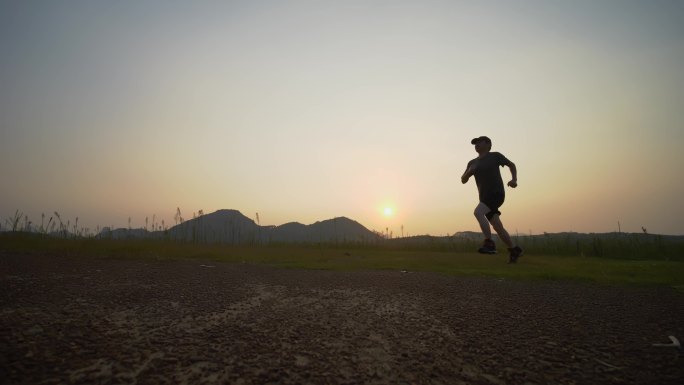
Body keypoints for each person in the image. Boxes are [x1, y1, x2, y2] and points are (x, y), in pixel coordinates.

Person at [461, 136, 524, 263]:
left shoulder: (495, 156)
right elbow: (463, 180)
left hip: (496, 193)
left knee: (478, 212)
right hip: (484, 197)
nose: (476, 145)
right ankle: (514, 249)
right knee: (497, 226)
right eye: (475, 143)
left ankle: (489, 243)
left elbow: (511, 165)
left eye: (480, 142)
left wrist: (514, 179)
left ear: (488, 144)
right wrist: (469, 172)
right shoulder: (472, 162)